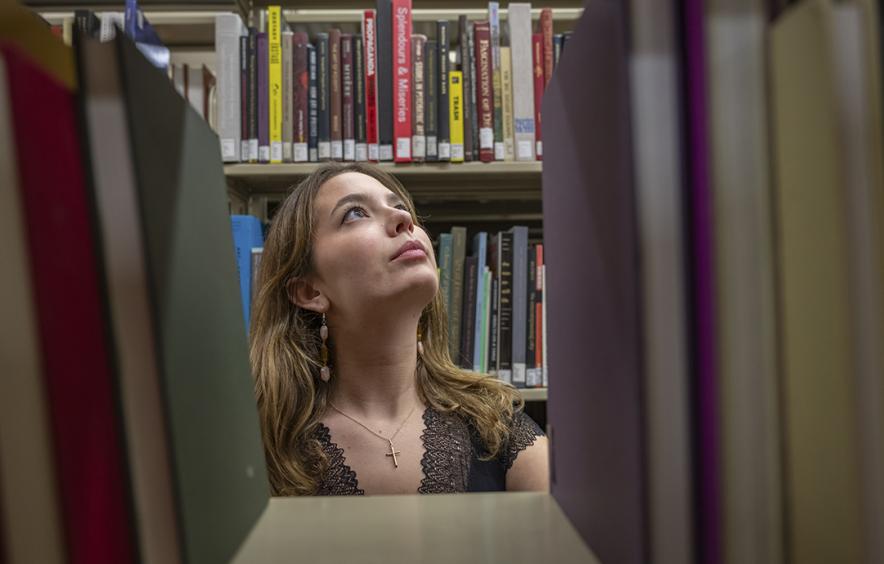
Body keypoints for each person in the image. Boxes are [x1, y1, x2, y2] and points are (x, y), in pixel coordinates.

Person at [249, 162, 548, 496]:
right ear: (309, 291)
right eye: (355, 213)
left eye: (402, 207)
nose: (404, 220)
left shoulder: (499, 429)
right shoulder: (258, 451)